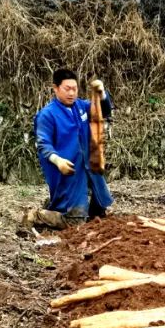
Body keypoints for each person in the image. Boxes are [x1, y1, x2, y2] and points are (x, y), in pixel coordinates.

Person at [31, 67, 114, 228]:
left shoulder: (81, 106)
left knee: (100, 209)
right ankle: (38, 216)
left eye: (74, 89)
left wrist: (101, 93)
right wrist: (57, 160)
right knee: (74, 220)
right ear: (55, 88)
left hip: (88, 166)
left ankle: (91, 212)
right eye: (67, 89)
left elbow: (103, 110)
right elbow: (43, 144)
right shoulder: (47, 115)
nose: (71, 93)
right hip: (68, 171)